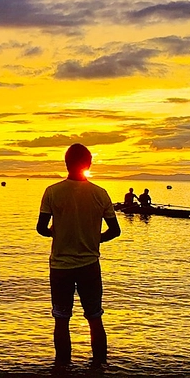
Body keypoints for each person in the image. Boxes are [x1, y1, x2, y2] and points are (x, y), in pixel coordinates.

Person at [37, 144, 121, 366]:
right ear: (89, 164)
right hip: (89, 265)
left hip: (60, 267)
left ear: (66, 163)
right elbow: (115, 231)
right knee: (94, 318)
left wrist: (56, 233)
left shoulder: (52, 192)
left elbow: (41, 228)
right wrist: (94, 239)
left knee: (61, 319)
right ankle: (99, 369)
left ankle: (62, 370)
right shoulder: (100, 193)